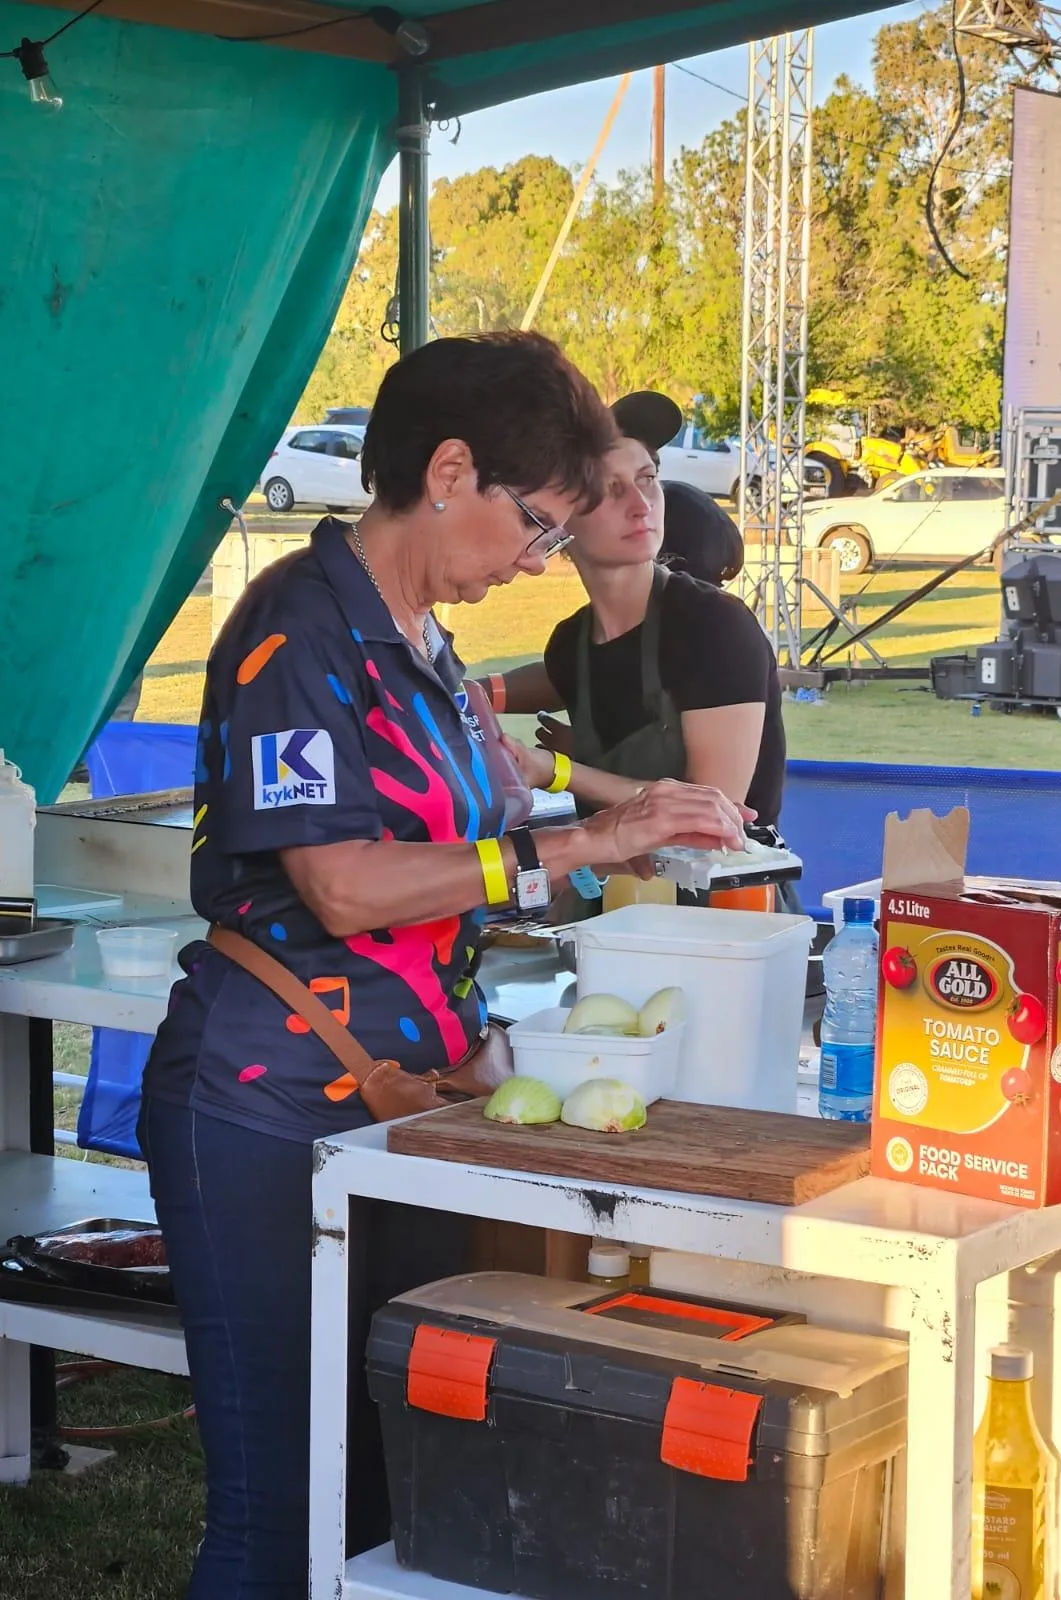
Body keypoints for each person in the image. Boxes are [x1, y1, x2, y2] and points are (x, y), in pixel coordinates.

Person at [138, 334, 748, 1600]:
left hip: (407, 1100)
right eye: (535, 525)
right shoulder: (298, 631)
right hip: (263, 1100)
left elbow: (479, 863)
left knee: (381, 1492)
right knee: (277, 1508)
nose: (537, 560)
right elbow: (343, 883)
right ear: (450, 471)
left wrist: (618, 846)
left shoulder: (426, 644)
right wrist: (571, 845)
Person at [488, 389, 785, 832]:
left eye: (647, 479)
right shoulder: (570, 645)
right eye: (608, 489)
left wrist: (557, 770)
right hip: (610, 876)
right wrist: (468, 694)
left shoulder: (714, 627)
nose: (641, 505)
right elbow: (560, 679)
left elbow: (712, 811)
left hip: (727, 877)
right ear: (557, 516)